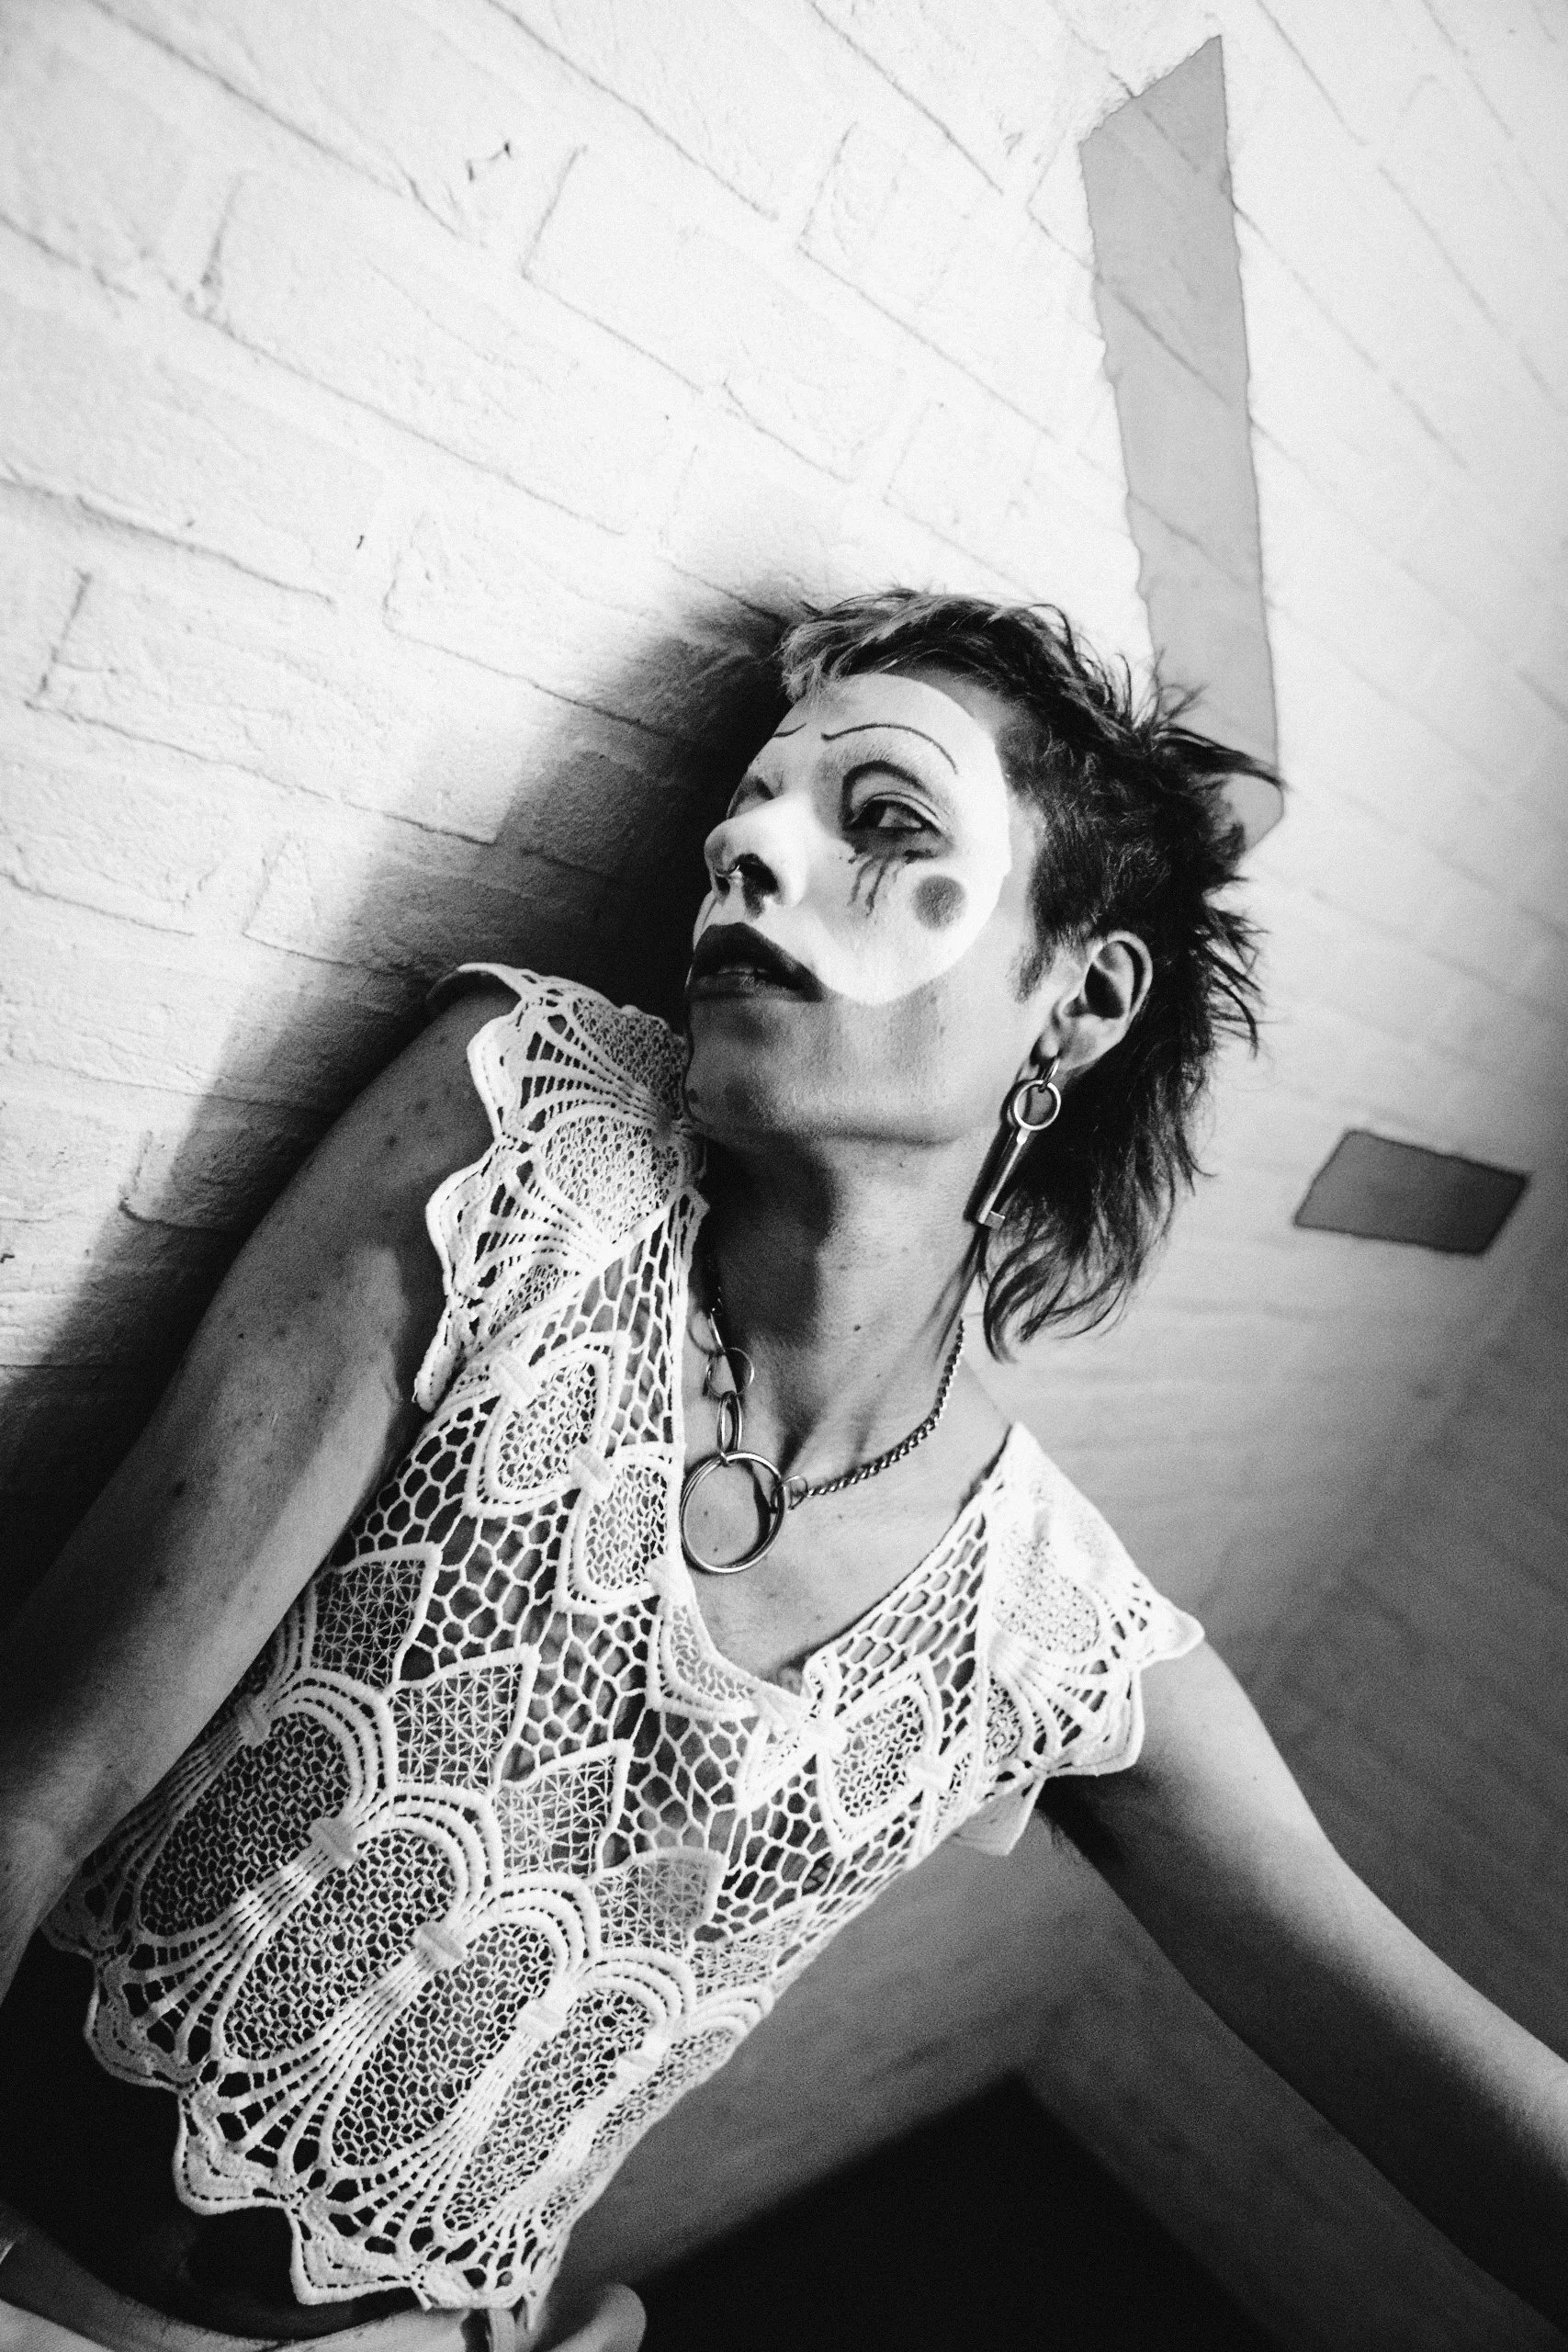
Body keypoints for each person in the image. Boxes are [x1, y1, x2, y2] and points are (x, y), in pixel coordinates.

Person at [1, 592, 1563, 2351]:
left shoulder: (1037, 1627)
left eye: (883, 821)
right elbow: (45, 1774)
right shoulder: (531, 1142)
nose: (746, 851)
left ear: (1079, 998)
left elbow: (1426, 2061)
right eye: (742, 811)